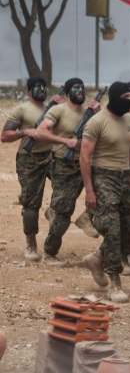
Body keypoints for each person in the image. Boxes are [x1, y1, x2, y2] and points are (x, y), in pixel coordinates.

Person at [80, 82, 130, 303]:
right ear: (115, 97)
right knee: (113, 228)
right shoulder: (96, 122)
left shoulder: (128, 121)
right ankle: (115, 283)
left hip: (125, 178)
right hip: (103, 177)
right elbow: (84, 157)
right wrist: (89, 190)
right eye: (126, 95)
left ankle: (97, 258)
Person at [35, 78, 101, 265]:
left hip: (87, 163)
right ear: (68, 91)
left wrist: (99, 113)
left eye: (82, 87)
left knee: (106, 195)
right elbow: (40, 132)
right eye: (76, 88)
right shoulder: (58, 110)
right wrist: (66, 142)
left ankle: (86, 217)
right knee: (64, 211)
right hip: (65, 166)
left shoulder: (90, 114)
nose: (80, 91)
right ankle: (49, 253)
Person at [1, 76, 61, 261]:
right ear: (29, 91)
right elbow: (5, 135)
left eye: (44, 86)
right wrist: (25, 132)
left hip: (51, 156)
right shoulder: (22, 110)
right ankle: (31, 245)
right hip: (29, 160)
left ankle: (52, 210)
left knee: (67, 187)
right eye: (37, 87)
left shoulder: (52, 109)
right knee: (31, 204)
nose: (42, 89)